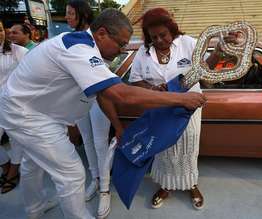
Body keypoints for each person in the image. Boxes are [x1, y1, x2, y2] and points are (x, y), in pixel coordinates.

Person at [0, 8, 206, 219]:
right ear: (101, 34)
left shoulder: (91, 49)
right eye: (121, 44)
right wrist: (182, 98)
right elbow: (120, 94)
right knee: (71, 174)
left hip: (37, 111)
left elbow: (103, 94)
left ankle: (35, 208)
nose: (122, 50)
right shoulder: (79, 49)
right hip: (28, 115)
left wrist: (117, 125)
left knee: (32, 164)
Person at [129, 8, 207, 210]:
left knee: (189, 147)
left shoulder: (188, 43)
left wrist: (223, 50)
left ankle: (191, 184)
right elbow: (136, 81)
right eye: (153, 37)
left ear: (172, 29)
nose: (159, 40)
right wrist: (153, 89)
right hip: (161, 108)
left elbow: (205, 69)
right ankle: (165, 186)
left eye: (163, 34)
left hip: (189, 107)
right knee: (163, 149)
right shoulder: (143, 52)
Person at [65, 1, 116, 218]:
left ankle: (105, 188)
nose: (67, 17)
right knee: (86, 140)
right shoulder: (69, 39)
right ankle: (95, 179)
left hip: (99, 96)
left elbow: (104, 67)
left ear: (82, 14)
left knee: (99, 141)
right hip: (78, 98)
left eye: (70, 13)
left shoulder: (93, 37)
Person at [0, 19, 28, 194]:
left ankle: (12, 173)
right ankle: (6, 166)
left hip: (14, 104)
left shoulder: (19, 51)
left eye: (1, 29)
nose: (0, 33)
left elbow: (31, 77)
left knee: (15, 140)